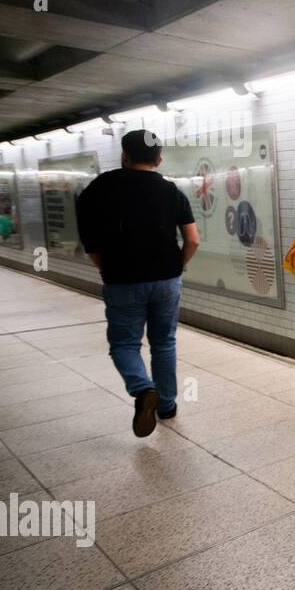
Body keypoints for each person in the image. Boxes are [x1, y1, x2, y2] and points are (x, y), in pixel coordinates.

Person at [76, 129, 200, 437]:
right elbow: (193, 239)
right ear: (159, 159)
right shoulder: (172, 191)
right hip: (167, 279)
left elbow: (91, 244)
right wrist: (177, 266)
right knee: (164, 342)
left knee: (124, 343)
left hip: (122, 279)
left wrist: (109, 269)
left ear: (124, 155)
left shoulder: (98, 189)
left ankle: (143, 388)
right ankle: (167, 405)